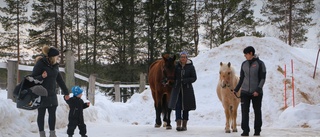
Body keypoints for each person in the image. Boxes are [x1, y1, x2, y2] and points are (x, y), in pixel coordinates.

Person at [31, 45, 70, 137]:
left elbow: (59, 80)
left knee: (52, 114)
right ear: (52, 57)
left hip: (52, 94)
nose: (58, 58)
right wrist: (41, 77)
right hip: (41, 94)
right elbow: (32, 78)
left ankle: (52, 134)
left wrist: (66, 93)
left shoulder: (55, 66)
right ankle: (42, 134)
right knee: (41, 114)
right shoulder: (40, 64)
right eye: (57, 56)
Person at [233, 46, 266, 136]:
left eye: (246, 54)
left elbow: (262, 78)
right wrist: (236, 89)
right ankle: (245, 130)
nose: (245, 56)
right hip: (245, 92)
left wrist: (258, 90)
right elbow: (242, 78)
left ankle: (257, 130)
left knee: (257, 111)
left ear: (251, 53)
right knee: (244, 111)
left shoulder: (260, 64)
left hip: (256, 93)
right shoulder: (244, 64)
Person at [169, 51, 197, 131]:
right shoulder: (176, 66)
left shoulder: (191, 67)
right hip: (177, 89)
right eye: (181, 57)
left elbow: (194, 78)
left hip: (187, 89)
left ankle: (184, 124)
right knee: (178, 106)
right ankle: (178, 124)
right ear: (180, 58)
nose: (183, 59)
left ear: (187, 58)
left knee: (185, 107)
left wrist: (185, 80)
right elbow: (172, 76)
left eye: (184, 57)